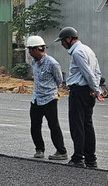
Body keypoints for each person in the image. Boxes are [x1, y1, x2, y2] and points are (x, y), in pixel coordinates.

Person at [57, 26, 101, 169]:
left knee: (77, 125)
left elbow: (88, 73)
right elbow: (97, 72)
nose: (62, 44)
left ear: (69, 39)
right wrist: (94, 89)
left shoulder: (77, 52)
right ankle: (90, 159)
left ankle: (78, 158)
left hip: (79, 91)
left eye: (63, 41)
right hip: (87, 91)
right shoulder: (89, 50)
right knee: (87, 125)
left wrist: (96, 90)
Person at [25, 35, 68, 161]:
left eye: (31, 49)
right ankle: (39, 149)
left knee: (53, 126)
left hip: (49, 99)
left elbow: (59, 80)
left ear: (37, 49)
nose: (29, 52)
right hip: (36, 99)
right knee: (34, 126)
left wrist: (50, 90)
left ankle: (61, 151)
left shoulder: (52, 63)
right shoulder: (34, 62)